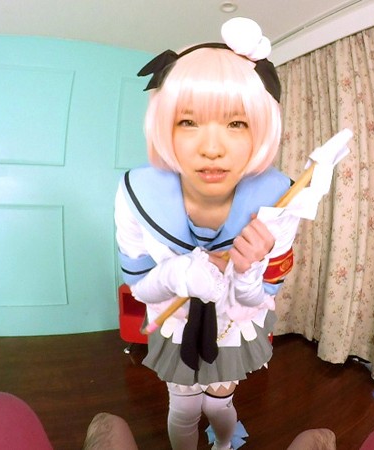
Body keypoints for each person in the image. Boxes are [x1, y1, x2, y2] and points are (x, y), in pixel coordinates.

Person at [114, 17, 299, 450]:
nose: (211, 148)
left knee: (220, 405)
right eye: (188, 121)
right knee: (182, 410)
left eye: (236, 123)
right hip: (176, 326)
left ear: (261, 129)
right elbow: (138, 284)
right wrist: (177, 274)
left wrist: (249, 271)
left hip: (232, 330)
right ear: (164, 126)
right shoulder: (135, 192)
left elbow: (264, 293)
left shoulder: (279, 200)